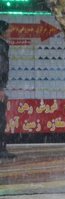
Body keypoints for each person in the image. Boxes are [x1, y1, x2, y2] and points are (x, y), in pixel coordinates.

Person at [0, 20, 15, 160]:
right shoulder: (1, 46)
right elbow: (1, 67)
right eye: (7, 30)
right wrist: (1, 87)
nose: (10, 33)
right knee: (0, 119)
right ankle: (1, 149)